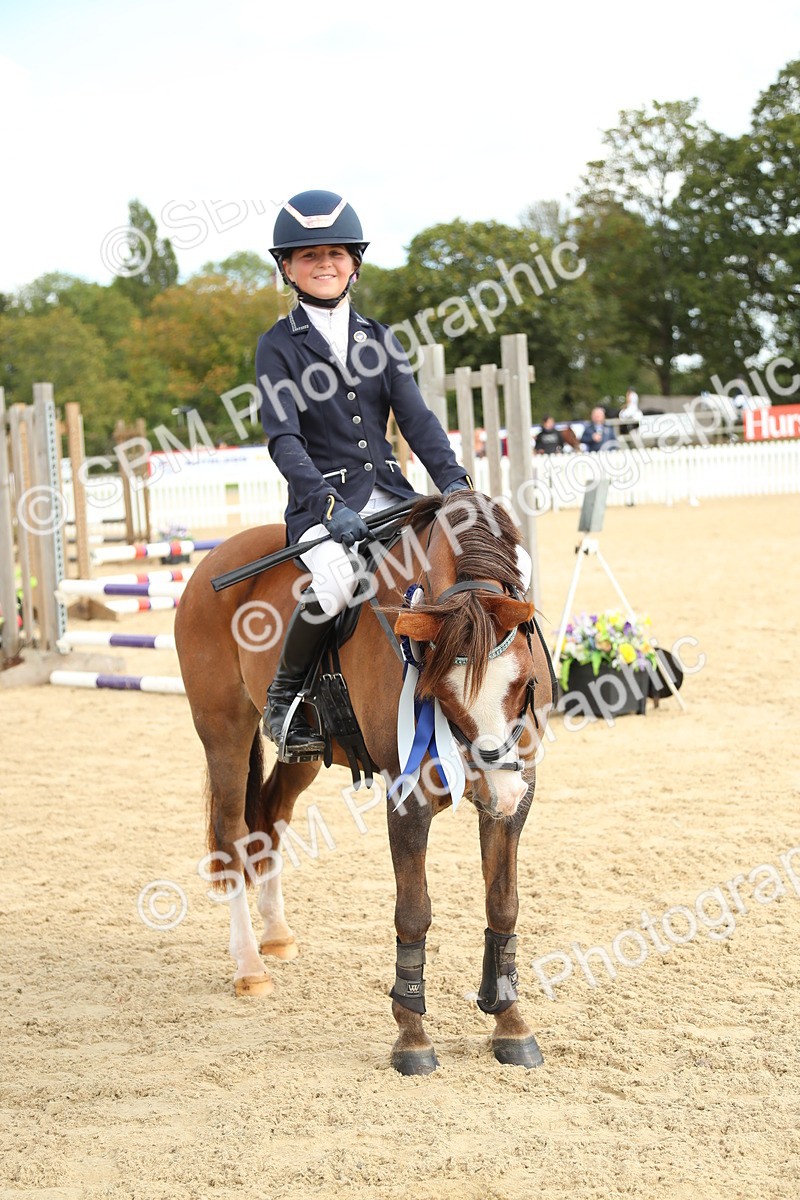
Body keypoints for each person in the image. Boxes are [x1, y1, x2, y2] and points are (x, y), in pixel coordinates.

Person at [256, 190, 472, 761]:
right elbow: (284, 440)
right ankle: (285, 701)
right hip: (323, 508)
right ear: (287, 268)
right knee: (335, 581)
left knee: (462, 563)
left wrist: (454, 484)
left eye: (335, 253)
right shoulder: (277, 346)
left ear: (354, 263)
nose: (323, 264)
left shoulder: (378, 337)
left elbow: (417, 420)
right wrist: (329, 507)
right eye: (309, 255)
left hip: (395, 497)